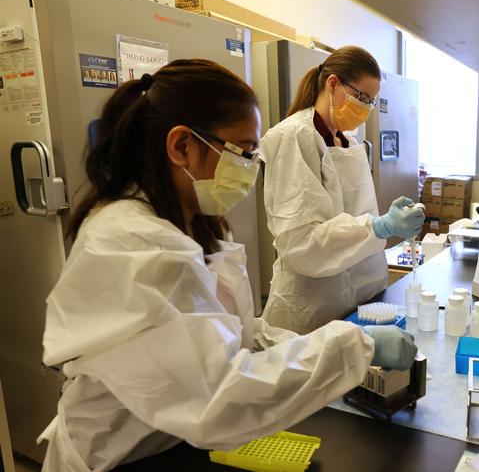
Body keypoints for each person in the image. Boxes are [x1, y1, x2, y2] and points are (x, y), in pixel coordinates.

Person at [38, 59, 417, 471]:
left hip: (164, 440)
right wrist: (351, 347)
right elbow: (218, 402)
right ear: (182, 145)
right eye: (243, 151)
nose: (252, 168)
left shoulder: (194, 222)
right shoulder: (132, 244)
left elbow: (232, 331)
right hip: (115, 456)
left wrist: (322, 344)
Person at [260, 46, 425, 334]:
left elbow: (355, 214)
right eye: (361, 96)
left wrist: (382, 222)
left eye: (370, 101)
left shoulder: (349, 142)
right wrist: (378, 227)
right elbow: (301, 243)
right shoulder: (295, 137)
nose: (364, 107)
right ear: (333, 83)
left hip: (357, 299)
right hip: (309, 308)